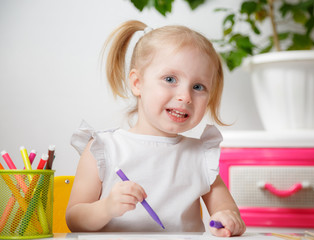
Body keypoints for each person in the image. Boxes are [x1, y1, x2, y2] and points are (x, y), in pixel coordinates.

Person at [66, 20, 246, 237]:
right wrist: (107, 208)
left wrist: (228, 219)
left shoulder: (201, 156)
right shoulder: (103, 149)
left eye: (198, 87)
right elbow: (74, 219)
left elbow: (227, 211)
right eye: (170, 79)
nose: (185, 96)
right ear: (137, 83)